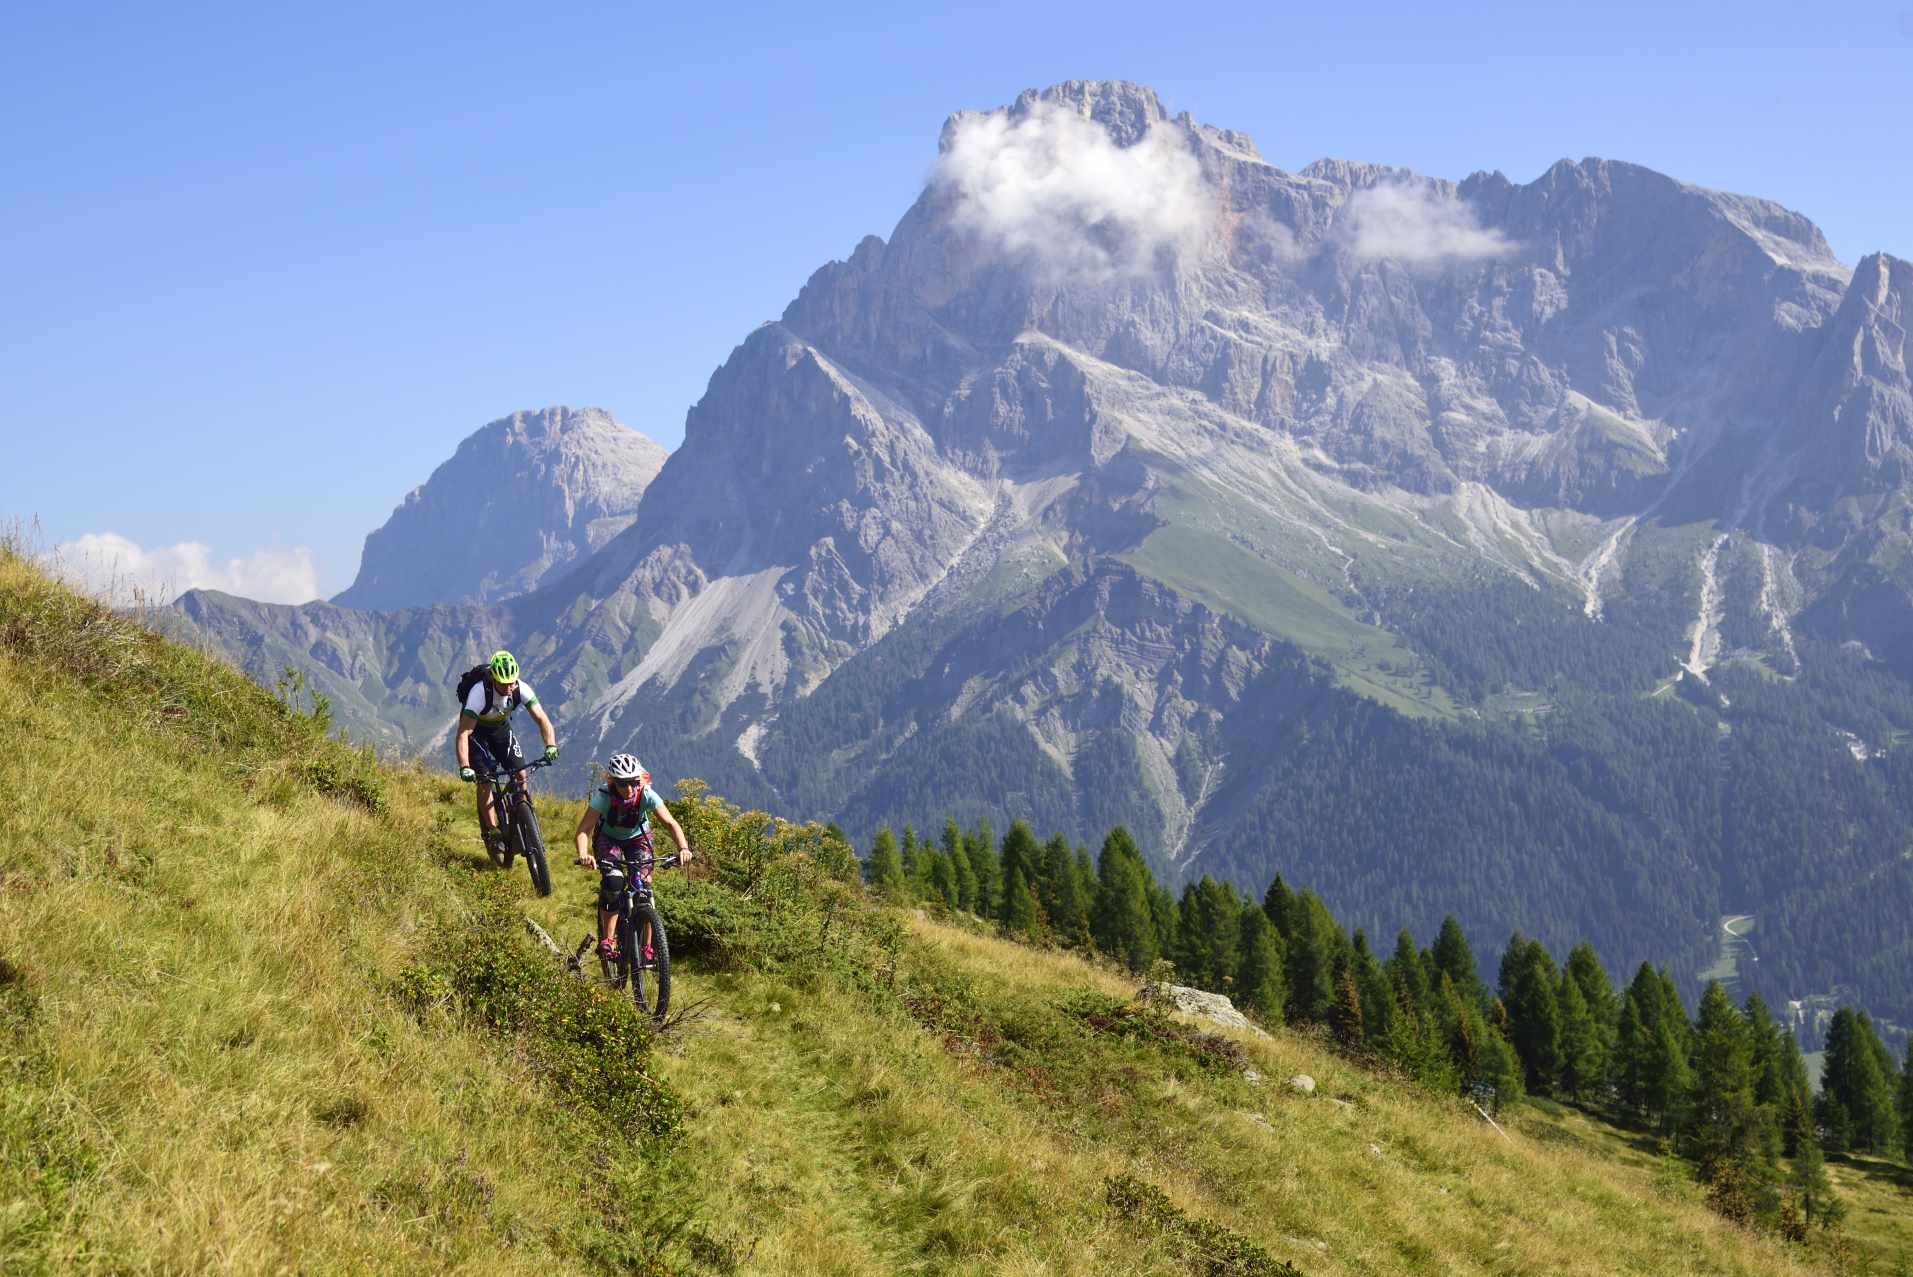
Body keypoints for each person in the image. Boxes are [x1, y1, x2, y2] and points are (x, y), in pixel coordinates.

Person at [575, 752, 692, 961]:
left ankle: (647, 948)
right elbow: (583, 830)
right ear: (612, 781)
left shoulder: (646, 794)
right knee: (613, 882)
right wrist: (584, 855)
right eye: (622, 783)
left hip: (638, 839)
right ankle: (608, 940)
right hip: (608, 839)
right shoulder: (603, 797)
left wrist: (683, 848)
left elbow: (671, 823)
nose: (629, 789)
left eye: (633, 782)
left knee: (644, 890)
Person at [455, 649, 559, 856]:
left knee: (521, 774)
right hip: (476, 734)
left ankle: (523, 814)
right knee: (485, 780)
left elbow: (542, 720)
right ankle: (492, 831)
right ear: (493, 678)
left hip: (501, 730)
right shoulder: (478, 694)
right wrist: (465, 766)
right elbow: (463, 733)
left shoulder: (521, 689)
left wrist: (551, 745)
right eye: (504, 683)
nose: (509, 687)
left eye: (512, 681)